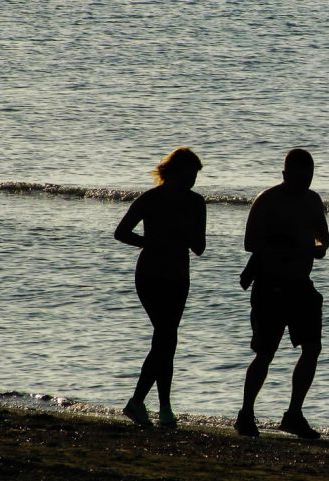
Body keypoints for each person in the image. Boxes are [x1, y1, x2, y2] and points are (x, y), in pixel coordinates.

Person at [234, 148, 329, 439]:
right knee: (265, 353)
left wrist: (319, 248)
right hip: (270, 286)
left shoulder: (313, 200)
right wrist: (285, 246)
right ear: (285, 174)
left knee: (312, 348)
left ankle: (293, 414)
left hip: (301, 285)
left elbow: (323, 237)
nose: (305, 182)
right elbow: (250, 243)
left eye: (309, 177)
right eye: (299, 176)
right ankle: (246, 413)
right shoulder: (267, 200)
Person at [114, 146, 206, 428]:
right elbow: (121, 232)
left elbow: (200, 247)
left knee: (166, 340)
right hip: (151, 273)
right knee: (166, 337)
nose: (192, 181)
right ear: (175, 172)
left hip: (179, 274)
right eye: (190, 174)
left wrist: (185, 231)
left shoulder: (196, 203)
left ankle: (163, 407)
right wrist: (147, 243)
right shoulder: (150, 198)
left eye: (196, 176)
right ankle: (139, 402)